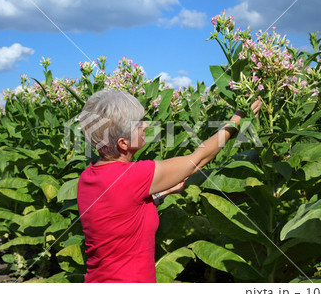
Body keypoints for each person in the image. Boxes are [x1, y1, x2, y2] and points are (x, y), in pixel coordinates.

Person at [77, 89, 262, 283]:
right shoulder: (134, 176)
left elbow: (119, 214)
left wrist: (162, 193)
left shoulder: (87, 177)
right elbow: (197, 160)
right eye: (138, 124)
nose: (146, 125)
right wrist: (237, 118)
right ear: (123, 143)